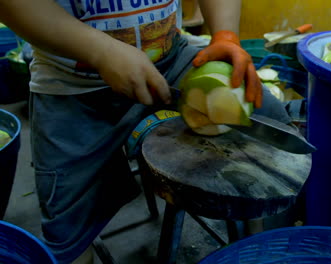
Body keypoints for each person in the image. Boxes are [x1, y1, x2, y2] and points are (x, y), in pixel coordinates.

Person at [0, 0, 291, 263]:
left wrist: (225, 34)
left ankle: (268, 247)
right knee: (66, 229)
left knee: (273, 125)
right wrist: (99, 50)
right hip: (72, 87)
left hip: (173, 61)